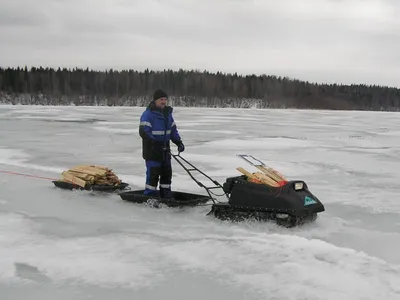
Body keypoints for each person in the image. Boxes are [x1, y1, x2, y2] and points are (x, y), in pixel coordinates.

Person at [139, 89, 185, 198]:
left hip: (165, 152)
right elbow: (144, 131)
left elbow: (173, 131)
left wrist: (178, 142)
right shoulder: (148, 114)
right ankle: (149, 198)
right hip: (152, 151)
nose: (164, 102)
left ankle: (166, 197)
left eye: (165, 99)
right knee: (153, 176)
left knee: (166, 176)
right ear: (156, 101)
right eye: (161, 99)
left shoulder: (168, 114)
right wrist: (153, 142)